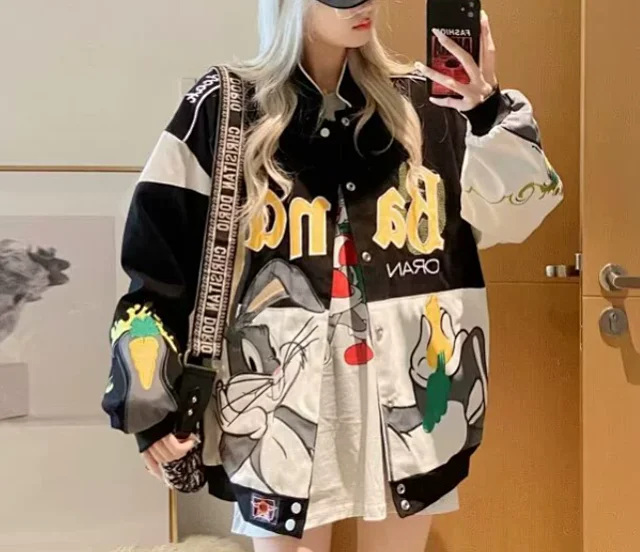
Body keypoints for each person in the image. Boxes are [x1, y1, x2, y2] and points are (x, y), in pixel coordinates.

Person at [102, 0, 563, 551]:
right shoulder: (226, 107)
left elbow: (520, 212)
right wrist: (147, 401)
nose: (363, 4)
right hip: (275, 416)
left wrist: (485, 110)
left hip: (415, 406)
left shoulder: (427, 103)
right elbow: (156, 262)